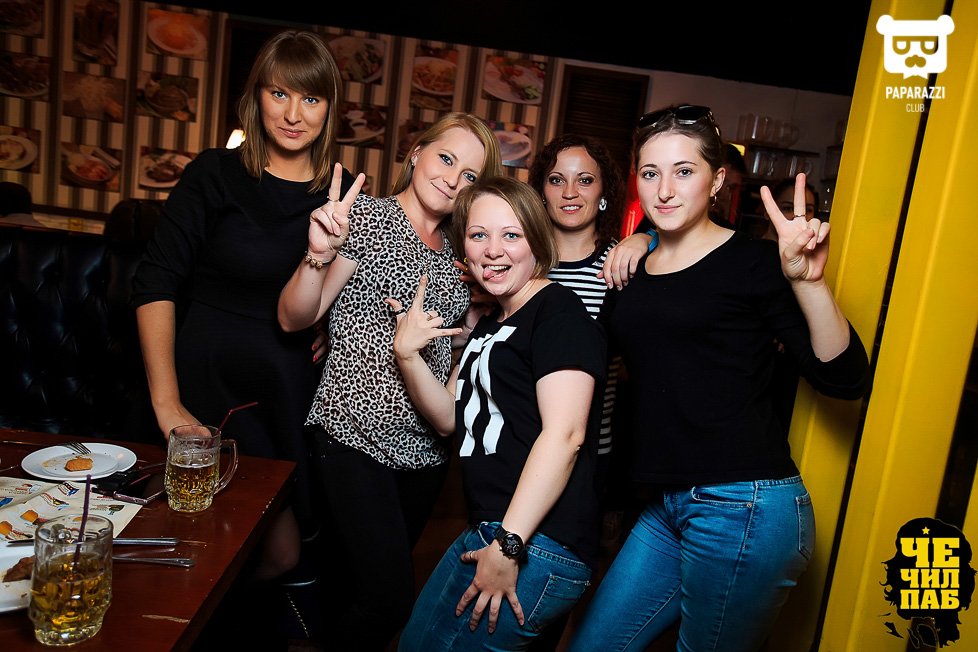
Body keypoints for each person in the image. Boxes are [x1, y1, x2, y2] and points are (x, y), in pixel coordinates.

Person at [568, 104, 871, 651]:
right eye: (650, 173)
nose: (664, 190)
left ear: (717, 181)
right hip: (666, 504)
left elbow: (845, 379)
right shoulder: (631, 270)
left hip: (744, 505)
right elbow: (586, 360)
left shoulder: (754, 263)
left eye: (684, 171)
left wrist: (808, 283)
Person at [130, 29, 354, 637]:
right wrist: (166, 402)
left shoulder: (341, 196)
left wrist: (330, 325)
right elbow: (155, 283)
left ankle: (190, 631)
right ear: (256, 96)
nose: (293, 114)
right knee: (185, 542)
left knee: (278, 553)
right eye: (279, 93)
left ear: (330, 108)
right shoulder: (215, 174)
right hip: (201, 385)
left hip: (281, 398)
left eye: (310, 98)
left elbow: (342, 297)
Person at [277, 111, 501, 651]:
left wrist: (475, 318)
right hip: (352, 436)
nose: (452, 178)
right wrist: (318, 254)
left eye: (470, 174)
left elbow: (453, 346)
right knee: (389, 598)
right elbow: (295, 317)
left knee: (348, 591)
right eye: (446, 158)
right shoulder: (368, 217)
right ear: (417, 152)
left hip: (425, 455)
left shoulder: (463, 248)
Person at [391, 176, 606, 651]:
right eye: (478, 235)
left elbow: (566, 435)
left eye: (511, 234)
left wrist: (510, 544)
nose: (493, 250)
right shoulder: (493, 322)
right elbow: (449, 417)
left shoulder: (559, 314)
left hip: (535, 540)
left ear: (537, 239)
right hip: (493, 528)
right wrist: (406, 355)